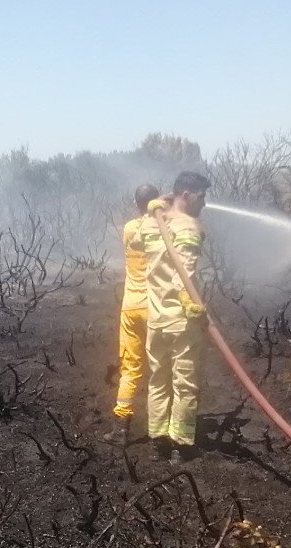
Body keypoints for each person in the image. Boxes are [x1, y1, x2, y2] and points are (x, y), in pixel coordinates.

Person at [142, 171, 211, 463]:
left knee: (158, 380)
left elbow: (139, 238)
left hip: (155, 318)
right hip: (182, 321)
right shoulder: (188, 229)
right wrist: (192, 304)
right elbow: (186, 273)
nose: (205, 203)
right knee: (185, 383)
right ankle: (180, 446)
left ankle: (157, 439)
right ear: (187, 194)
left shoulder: (150, 224)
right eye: (202, 196)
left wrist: (159, 205)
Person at [104, 184, 166, 444]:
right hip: (156, 307)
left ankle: (121, 430)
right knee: (161, 369)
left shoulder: (129, 228)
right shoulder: (164, 229)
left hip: (131, 306)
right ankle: (161, 431)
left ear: (136, 202)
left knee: (130, 367)